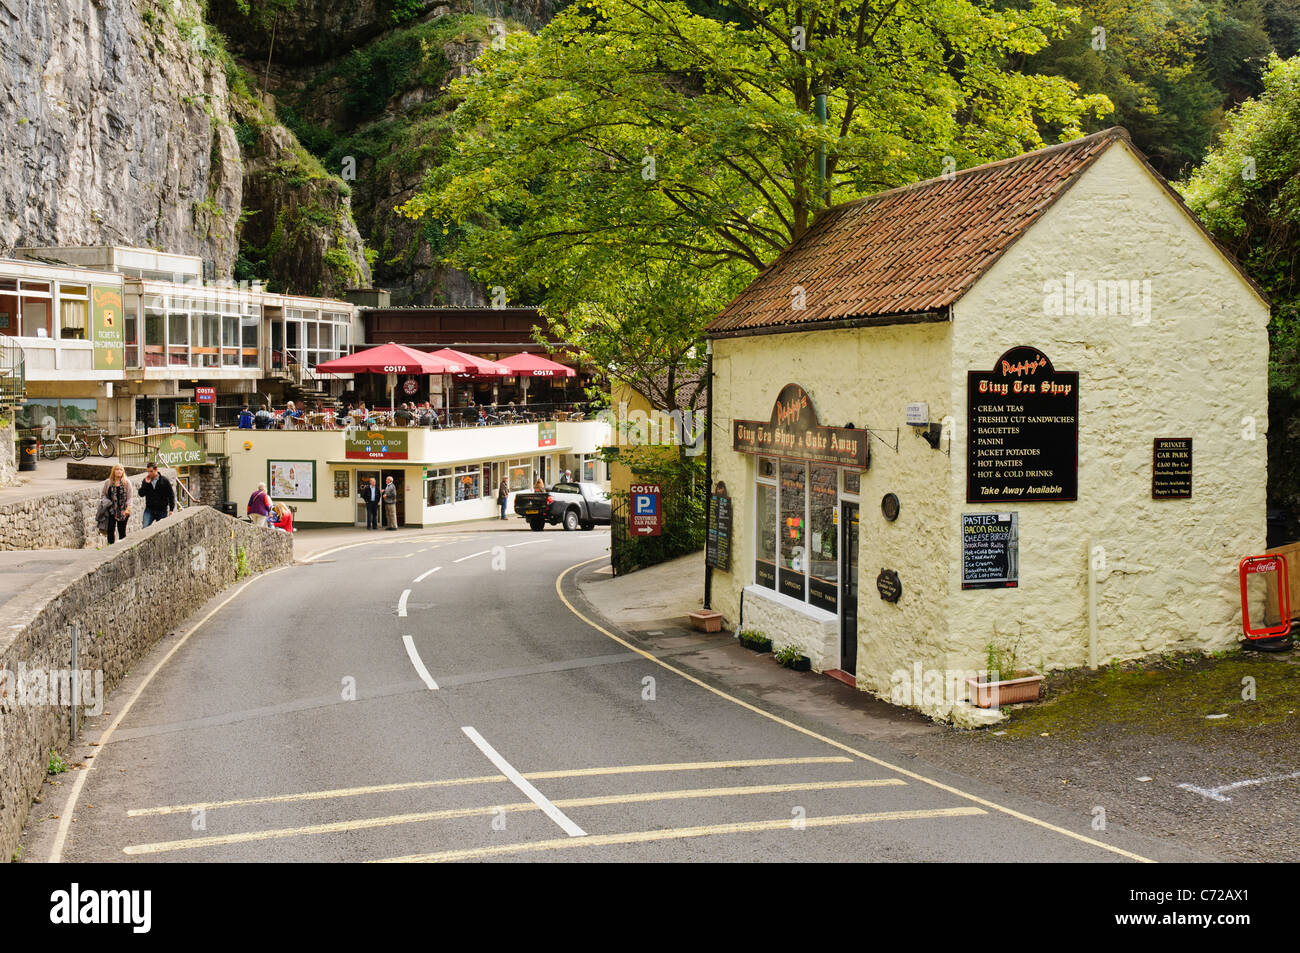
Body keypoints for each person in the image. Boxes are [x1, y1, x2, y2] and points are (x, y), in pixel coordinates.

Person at [99, 465, 131, 544]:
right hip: (111, 510)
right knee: (110, 530)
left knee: (122, 531)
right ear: (113, 471)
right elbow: (103, 495)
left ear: (123, 471)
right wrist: (107, 502)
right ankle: (110, 546)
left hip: (123, 510)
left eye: (121, 469)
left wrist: (127, 509)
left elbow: (129, 497)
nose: (119, 471)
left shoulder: (126, 482)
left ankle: (122, 547)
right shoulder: (108, 482)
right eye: (117, 469)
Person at [138, 462, 175, 527]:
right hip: (149, 509)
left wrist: (171, 509)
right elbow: (141, 494)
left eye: (151, 471)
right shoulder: (146, 480)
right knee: (145, 527)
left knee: (162, 528)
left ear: (156, 470)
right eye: (148, 472)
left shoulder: (164, 480)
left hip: (162, 510)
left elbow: (171, 495)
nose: (149, 473)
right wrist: (146, 484)